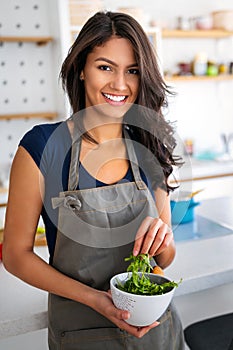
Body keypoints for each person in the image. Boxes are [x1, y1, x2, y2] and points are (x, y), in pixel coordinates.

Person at [3, 11, 185, 349]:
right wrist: (95, 299)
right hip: (82, 334)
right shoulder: (42, 148)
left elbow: (165, 259)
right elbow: (16, 254)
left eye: (132, 71)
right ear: (81, 69)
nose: (120, 84)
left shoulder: (148, 143)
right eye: (105, 67)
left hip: (156, 335)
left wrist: (164, 239)